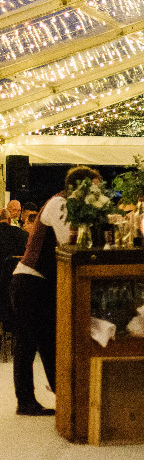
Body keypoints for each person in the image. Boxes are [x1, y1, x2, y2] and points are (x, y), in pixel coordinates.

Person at [11, 165, 101, 416]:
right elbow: (68, 243)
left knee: (39, 342)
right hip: (31, 281)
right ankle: (34, 400)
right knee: (35, 343)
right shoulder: (59, 204)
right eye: (94, 185)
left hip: (36, 281)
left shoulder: (69, 205)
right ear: (80, 186)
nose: (97, 191)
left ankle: (47, 398)